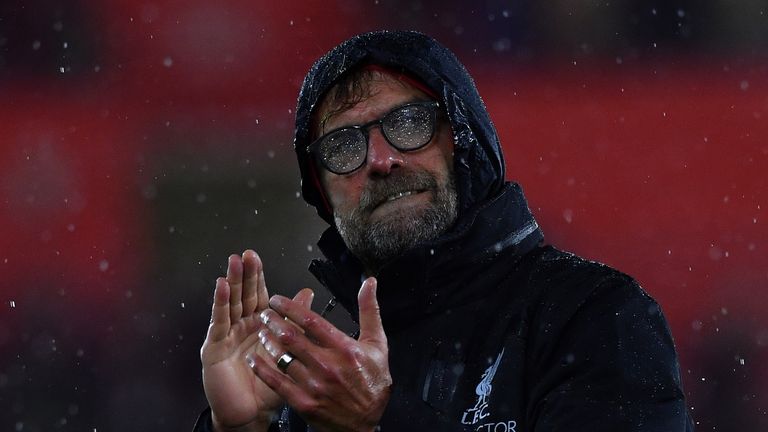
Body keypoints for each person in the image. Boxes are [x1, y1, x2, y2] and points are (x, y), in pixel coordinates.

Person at [194, 31, 693, 431]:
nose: (381, 160)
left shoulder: (595, 315)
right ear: (322, 192)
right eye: (344, 146)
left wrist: (379, 421)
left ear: (465, 143)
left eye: (409, 122)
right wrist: (243, 428)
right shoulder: (314, 380)